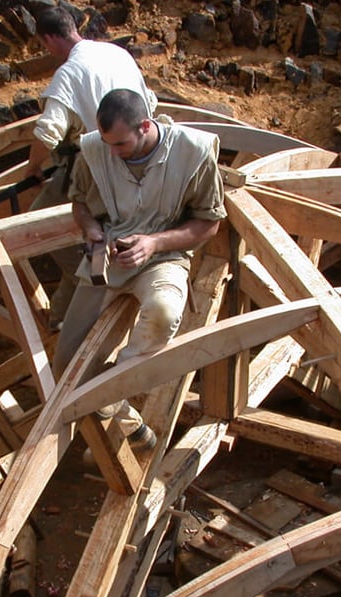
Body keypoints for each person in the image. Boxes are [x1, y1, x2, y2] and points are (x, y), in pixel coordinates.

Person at [52, 88, 226, 450]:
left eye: (120, 144)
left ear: (145, 126)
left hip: (163, 257)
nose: (112, 152)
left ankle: (115, 382)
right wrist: (92, 229)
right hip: (109, 257)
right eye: (107, 143)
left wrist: (153, 243)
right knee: (66, 367)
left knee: (163, 312)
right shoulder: (95, 150)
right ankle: (127, 418)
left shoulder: (193, 153)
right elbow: (80, 204)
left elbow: (208, 224)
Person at [26, 6, 158, 328]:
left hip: (97, 165)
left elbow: (48, 132)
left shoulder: (69, 73)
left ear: (49, 38)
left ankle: (90, 280)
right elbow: (149, 102)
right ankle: (64, 314)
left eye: (45, 46)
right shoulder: (117, 54)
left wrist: (32, 168)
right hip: (139, 158)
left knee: (37, 227)